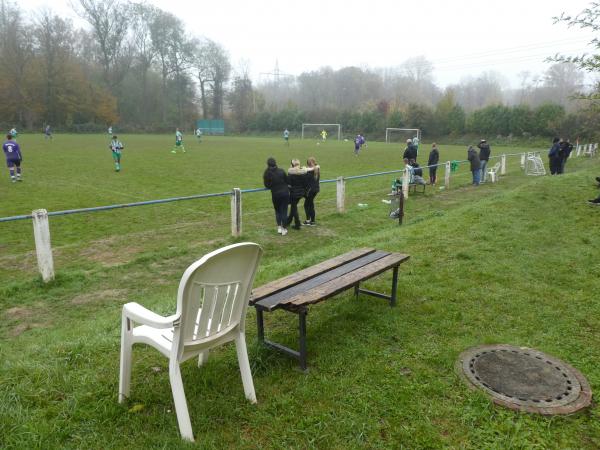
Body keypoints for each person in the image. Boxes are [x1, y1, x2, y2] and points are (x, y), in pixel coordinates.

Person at [263, 157, 289, 235]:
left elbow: (267, 185)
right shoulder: (281, 171)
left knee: (277, 211)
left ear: (268, 164)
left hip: (275, 194)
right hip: (285, 193)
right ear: (275, 163)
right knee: (284, 211)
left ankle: (279, 228)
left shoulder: (267, 173)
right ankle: (284, 229)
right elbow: (287, 181)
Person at [286, 159, 311, 230]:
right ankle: (288, 221)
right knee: (293, 207)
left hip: (294, 194)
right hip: (301, 193)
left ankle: (297, 224)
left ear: (292, 165)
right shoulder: (303, 173)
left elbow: (289, 185)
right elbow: (306, 183)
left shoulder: (290, 174)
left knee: (294, 208)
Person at [303, 157, 320, 226]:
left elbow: (305, 181)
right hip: (316, 189)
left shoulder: (309, 172)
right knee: (311, 204)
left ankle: (308, 221)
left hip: (310, 191)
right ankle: (312, 221)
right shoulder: (317, 170)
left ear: (308, 164)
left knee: (307, 205)